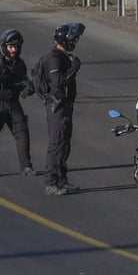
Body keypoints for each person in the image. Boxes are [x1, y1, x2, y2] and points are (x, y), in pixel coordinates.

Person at [36, 22, 85, 196]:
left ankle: (62, 179)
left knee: (65, 145)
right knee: (56, 144)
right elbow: (58, 83)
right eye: (74, 38)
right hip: (56, 106)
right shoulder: (54, 58)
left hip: (65, 106)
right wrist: (74, 69)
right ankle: (51, 182)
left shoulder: (64, 57)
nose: (76, 41)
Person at [0, 29, 35, 178]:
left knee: (22, 133)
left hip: (13, 102)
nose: (14, 50)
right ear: (4, 47)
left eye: (16, 47)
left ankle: (26, 166)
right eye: (11, 47)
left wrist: (28, 87)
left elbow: (22, 80)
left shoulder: (19, 64)